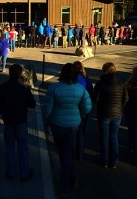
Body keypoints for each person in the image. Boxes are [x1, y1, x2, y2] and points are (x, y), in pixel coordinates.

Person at [43, 63, 92, 197]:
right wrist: (80, 114)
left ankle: (66, 184)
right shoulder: (80, 89)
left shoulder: (54, 88)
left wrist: (46, 121)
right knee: (68, 152)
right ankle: (72, 174)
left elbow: (47, 108)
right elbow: (87, 107)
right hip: (74, 125)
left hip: (57, 124)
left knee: (63, 154)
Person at [0, 64, 36, 181]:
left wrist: (3, 113)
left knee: (9, 147)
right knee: (23, 147)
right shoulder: (23, 88)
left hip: (8, 120)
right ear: (20, 75)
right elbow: (32, 104)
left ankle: (11, 171)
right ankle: (24, 172)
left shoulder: (2, 87)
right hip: (21, 121)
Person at [93, 62, 128, 169]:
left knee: (104, 137)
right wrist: (121, 107)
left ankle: (104, 160)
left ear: (104, 70)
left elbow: (95, 97)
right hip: (117, 113)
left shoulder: (101, 83)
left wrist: (99, 104)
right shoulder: (121, 83)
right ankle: (114, 162)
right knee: (114, 137)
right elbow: (126, 98)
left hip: (104, 112)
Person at [74, 61, 93, 160]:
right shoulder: (87, 79)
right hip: (85, 107)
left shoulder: (74, 79)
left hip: (75, 107)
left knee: (73, 131)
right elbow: (91, 92)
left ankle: (73, 152)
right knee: (81, 132)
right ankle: (79, 154)